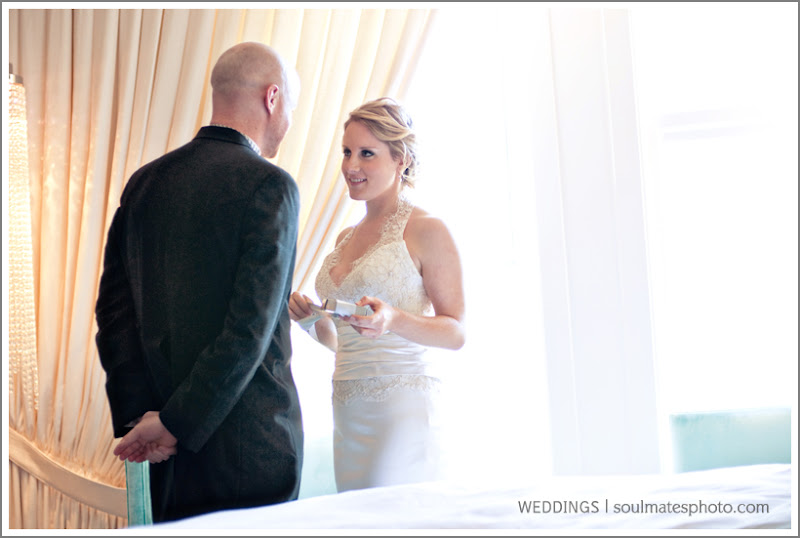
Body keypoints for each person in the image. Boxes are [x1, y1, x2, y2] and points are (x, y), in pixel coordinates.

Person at [95, 42, 304, 523]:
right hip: (251, 448)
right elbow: (249, 329)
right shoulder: (272, 186)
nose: (289, 121)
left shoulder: (144, 183)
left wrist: (145, 420)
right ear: (272, 98)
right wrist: (176, 423)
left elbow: (113, 314)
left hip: (166, 456)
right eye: (290, 107)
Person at [288, 97, 466, 492]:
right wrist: (310, 321)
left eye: (366, 153)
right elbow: (345, 342)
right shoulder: (344, 238)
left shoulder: (427, 230)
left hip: (402, 411)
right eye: (347, 152)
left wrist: (394, 319)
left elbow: (456, 332)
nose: (351, 166)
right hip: (348, 410)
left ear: (401, 159)